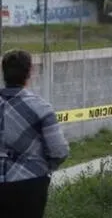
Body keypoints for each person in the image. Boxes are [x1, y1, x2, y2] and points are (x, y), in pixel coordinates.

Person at [0, 49, 69, 218]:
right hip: (31, 183)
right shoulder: (41, 108)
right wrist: (45, 168)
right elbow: (59, 151)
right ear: (30, 72)